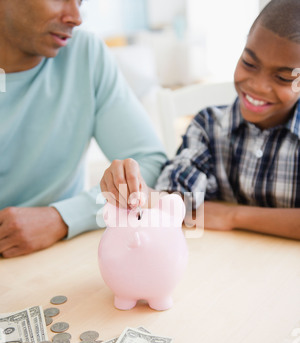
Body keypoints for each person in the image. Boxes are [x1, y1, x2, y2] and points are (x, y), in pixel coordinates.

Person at [0, 0, 167, 258]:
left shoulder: (84, 55)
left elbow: (150, 163)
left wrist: (62, 218)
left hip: (60, 255)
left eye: (80, 1)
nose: (76, 17)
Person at [154, 0, 300, 240]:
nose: (257, 85)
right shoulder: (208, 126)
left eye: (283, 77)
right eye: (249, 63)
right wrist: (158, 197)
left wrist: (231, 216)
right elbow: (176, 191)